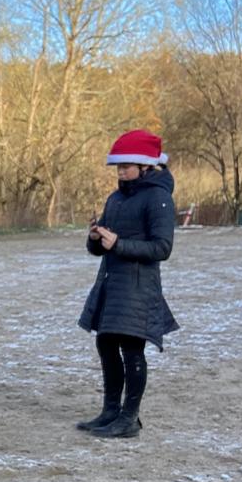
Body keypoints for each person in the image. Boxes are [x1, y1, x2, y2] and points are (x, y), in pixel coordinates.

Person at [76, 129, 179, 439]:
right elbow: (100, 248)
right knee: (105, 344)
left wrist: (118, 242)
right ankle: (110, 411)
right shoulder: (116, 198)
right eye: (118, 166)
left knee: (132, 350)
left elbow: (162, 248)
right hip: (111, 283)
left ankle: (129, 418)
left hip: (138, 287)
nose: (121, 171)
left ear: (145, 165)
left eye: (127, 165)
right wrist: (96, 239)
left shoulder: (158, 198)